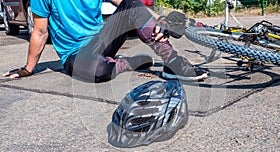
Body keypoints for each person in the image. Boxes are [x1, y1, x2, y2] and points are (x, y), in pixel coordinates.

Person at [2, 0, 208, 82]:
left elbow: (131, 5)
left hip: (101, 41)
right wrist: (28, 69)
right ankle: (128, 63)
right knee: (100, 72)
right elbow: (39, 32)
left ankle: (173, 64)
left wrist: (158, 21)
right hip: (75, 55)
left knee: (132, 3)